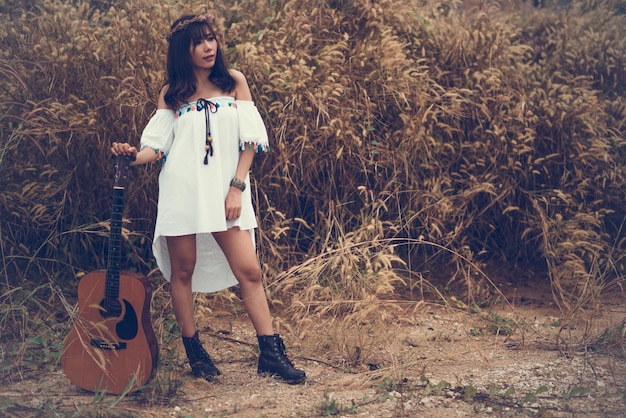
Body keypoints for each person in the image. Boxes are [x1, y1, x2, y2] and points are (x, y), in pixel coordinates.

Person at [110, 14, 306, 385]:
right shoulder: (173, 94)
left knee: (249, 270)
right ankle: (195, 352)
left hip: (224, 193)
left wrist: (237, 186)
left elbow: (251, 141)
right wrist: (130, 155)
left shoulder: (234, 83)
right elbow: (156, 147)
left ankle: (271, 353)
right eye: (198, 42)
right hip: (183, 193)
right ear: (182, 51)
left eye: (211, 39)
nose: (208, 47)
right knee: (182, 271)